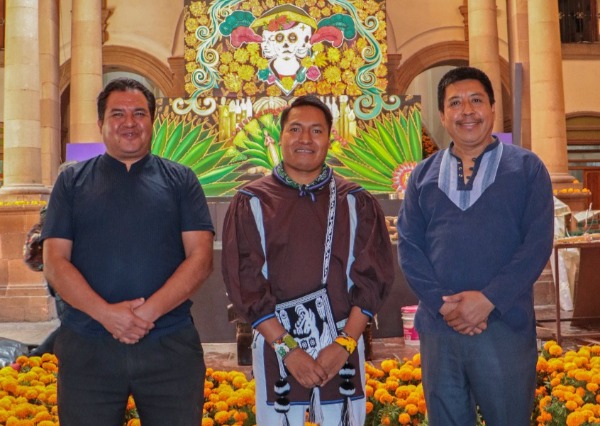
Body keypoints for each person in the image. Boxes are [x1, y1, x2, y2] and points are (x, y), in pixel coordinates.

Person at [42, 78, 214, 426]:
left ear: (152, 121)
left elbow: (200, 259)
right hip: (88, 346)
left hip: (169, 345)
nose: (129, 122)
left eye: (139, 113)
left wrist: (146, 314)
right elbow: (55, 262)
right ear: (100, 123)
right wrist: (107, 315)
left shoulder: (182, 180)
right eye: (117, 114)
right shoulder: (71, 183)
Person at [222, 95, 394, 426]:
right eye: (295, 129)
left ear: (330, 139)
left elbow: (373, 279)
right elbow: (245, 282)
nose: (305, 139)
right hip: (276, 345)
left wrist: (344, 344)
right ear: (280, 137)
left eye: (316, 131)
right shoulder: (252, 201)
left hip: (341, 343)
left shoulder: (355, 201)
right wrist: (287, 349)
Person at [397, 66, 554, 426]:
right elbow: (409, 246)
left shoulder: (526, 168)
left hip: (503, 326)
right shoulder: (422, 175)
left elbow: (536, 244)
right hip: (440, 329)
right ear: (442, 115)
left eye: (476, 100)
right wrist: (442, 305)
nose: (466, 110)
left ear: (493, 109)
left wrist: (488, 300)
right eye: (455, 103)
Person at [24, 161, 76, 357]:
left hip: (63, 273)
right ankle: (38, 356)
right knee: (72, 323)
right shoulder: (59, 207)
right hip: (63, 273)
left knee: (72, 322)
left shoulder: (61, 204)